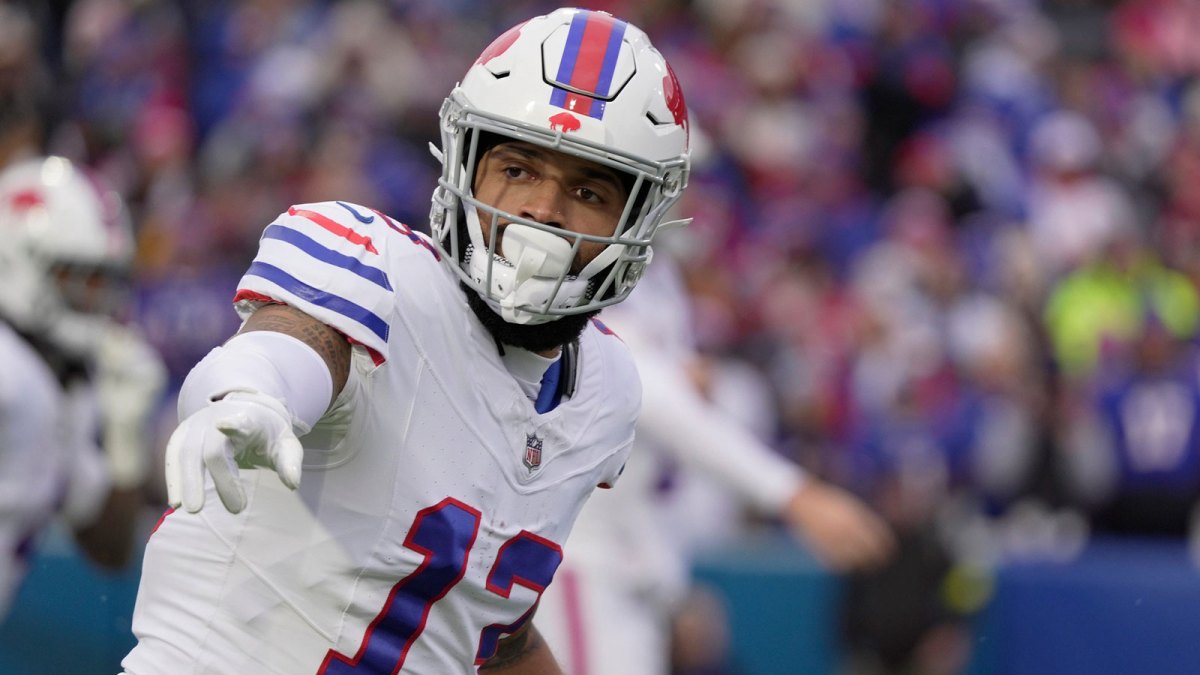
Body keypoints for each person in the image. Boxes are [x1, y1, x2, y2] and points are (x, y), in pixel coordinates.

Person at [122, 8, 691, 674]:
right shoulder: (378, 269)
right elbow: (301, 340)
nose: (542, 209)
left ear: (637, 218)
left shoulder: (604, 389)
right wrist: (253, 390)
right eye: (517, 169)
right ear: (466, 164)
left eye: (588, 188)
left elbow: (488, 618)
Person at [535, 254, 896, 675]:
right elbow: (648, 388)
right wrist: (790, 492)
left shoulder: (658, 269)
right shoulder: (593, 271)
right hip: (584, 560)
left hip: (627, 558)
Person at [0, 154, 166, 619]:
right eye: (81, 279)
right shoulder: (11, 368)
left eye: (105, 282)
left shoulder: (63, 385)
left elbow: (109, 548)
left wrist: (125, 440)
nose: (96, 300)